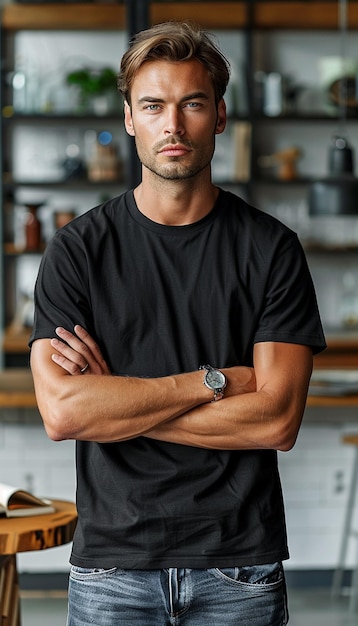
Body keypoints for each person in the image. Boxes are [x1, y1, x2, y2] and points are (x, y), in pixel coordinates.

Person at [29, 21, 326, 626]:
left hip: (239, 566)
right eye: (153, 105)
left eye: (192, 103)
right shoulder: (77, 250)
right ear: (131, 118)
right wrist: (216, 381)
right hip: (113, 567)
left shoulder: (272, 249)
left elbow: (276, 420)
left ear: (219, 115)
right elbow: (65, 414)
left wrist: (119, 410)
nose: (173, 124)